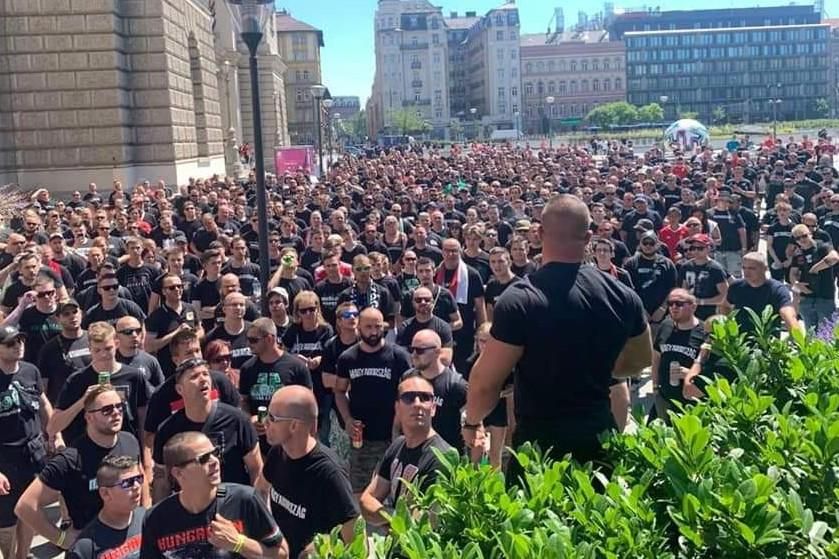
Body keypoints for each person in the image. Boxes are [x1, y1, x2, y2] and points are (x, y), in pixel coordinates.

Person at [463, 195, 651, 481]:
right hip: (598, 438)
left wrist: (472, 422)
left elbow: (485, 384)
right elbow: (640, 361)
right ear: (589, 237)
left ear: (538, 234)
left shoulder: (519, 301)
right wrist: (595, 369)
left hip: (539, 447)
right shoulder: (622, 295)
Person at [16, 385, 143, 552]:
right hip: (93, 547)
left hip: (130, 539)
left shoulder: (129, 441)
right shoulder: (70, 460)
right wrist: (61, 538)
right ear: (89, 418)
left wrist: (143, 516)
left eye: (120, 406)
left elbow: (141, 476)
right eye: (106, 410)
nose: (116, 413)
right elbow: (25, 506)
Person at [141, 431, 286, 559]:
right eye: (203, 459)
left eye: (215, 453)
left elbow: (282, 554)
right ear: (178, 473)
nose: (215, 461)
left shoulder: (244, 499)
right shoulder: (156, 518)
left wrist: (239, 544)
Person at [255, 386, 360, 558]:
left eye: (272, 418)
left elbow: (355, 538)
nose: (264, 421)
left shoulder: (329, 473)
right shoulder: (278, 452)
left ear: (294, 425)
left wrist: (323, 547)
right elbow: (260, 489)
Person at [152, 358, 261, 502]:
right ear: (180, 389)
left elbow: (256, 468)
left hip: (233, 504)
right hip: (191, 509)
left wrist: (256, 507)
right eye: (194, 377)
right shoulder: (167, 430)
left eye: (205, 374)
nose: (203, 380)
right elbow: (162, 480)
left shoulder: (237, 420)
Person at [334, 308, 412, 494]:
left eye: (377, 326)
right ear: (359, 327)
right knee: (359, 490)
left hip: (394, 436)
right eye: (368, 326)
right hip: (362, 437)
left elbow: (410, 392)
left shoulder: (399, 356)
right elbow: (339, 391)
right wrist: (347, 420)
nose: (374, 331)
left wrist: (402, 425)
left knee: (399, 491)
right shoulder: (348, 358)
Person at [359, 374, 453, 529]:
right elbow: (366, 501)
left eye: (425, 398)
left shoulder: (441, 457)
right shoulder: (398, 445)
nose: (417, 404)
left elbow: (427, 523)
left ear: (434, 408)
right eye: (409, 398)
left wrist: (386, 517)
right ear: (397, 408)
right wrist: (394, 518)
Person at [0, 325, 54, 559]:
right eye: (10, 343)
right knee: (6, 519)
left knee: (31, 509)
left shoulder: (30, 370)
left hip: (34, 451)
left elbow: (43, 403)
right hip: (5, 458)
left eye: (20, 341)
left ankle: (23, 555)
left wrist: (55, 433)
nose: (17, 346)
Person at [50, 321, 151, 445]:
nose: (103, 354)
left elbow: (143, 421)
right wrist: (83, 401)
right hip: (87, 451)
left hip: (125, 447)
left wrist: (145, 455)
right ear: (89, 349)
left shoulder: (134, 376)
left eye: (108, 348)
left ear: (117, 344)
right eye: (97, 350)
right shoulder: (77, 380)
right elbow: (52, 427)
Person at [238, 318, 312, 451]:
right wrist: (249, 418)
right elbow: (243, 401)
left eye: (254, 340)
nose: (249, 344)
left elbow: (308, 405)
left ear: (270, 339)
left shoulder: (296, 367)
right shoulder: (247, 368)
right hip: (258, 441)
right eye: (248, 339)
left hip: (288, 440)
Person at [65, 456, 145, 559]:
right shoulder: (84, 548)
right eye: (127, 483)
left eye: (139, 478)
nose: (137, 486)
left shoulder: (145, 518)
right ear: (105, 494)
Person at [406, 330, 468, 450]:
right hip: (415, 454)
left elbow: (472, 427)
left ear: (437, 352)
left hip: (446, 456)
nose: (414, 355)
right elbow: (399, 418)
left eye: (420, 350)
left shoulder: (456, 385)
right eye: (411, 349)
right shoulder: (408, 378)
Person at [650, 289, 706, 419]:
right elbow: (656, 357)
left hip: (690, 402)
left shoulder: (704, 333)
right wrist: (655, 387)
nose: (673, 307)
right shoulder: (665, 325)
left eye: (679, 303)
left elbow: (711, 369)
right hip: (664, 397)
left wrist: (691, 374)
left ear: (693, 306)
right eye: (670, 303)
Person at [436, 238, 486, 373]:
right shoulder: (435, 273)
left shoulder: (472, 274)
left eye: (454, 251)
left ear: (460, 251)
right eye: (447, 251)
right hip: (440, 332)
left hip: (465, 333)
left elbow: (480, 306)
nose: (451, 254)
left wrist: (481, 332)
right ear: (442, 252)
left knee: (463, 371)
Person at [722, 252, 800, 335]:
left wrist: (799, 340)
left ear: (765, 268)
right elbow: (725, 306)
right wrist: (729, 324)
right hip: (741, 343)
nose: (746, 272)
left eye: (752, 268)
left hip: (767, 342)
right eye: (744, 268)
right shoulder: (736, 287)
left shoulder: (777, 289)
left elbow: (788, 314)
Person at [144, 272, 204, 377]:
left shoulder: (190, 308)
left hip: (193, 366)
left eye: (180, 286)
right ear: (163, 291)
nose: (177, 289)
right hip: (169, 370)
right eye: (172, 287)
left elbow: (201, 329)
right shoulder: (156, 316)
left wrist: (192, 337)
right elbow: (149, 346)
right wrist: (176, 334)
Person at [37, 299, 91, 404]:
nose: (72, 316)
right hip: (65, 406)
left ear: (81, 313)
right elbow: (44, 386)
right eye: (66, 314)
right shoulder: (49, 349)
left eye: (75, 312)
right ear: (57, 319)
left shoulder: (94, 339)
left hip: (93, 404)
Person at [789, 223, 839, 331]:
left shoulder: (823, 246)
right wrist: (796, 284)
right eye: (798, 238)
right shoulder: (798, 253)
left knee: (826, 334)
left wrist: (816, 268)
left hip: (824, 296)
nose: (802, 240)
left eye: (804, 236)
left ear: (810, 234)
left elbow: (834, 257)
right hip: (806, 298)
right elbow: (793, 273)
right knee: (810, 335)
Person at [395, 286, 454, 366]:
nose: (423, 302)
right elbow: (401, 357)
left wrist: (420, 361)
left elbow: (446, 358)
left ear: (432, 302)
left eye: (427, 300)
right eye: (418, 300)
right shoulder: (405, 327)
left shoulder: (443, 327)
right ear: (413, 303)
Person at [678, 233, 729, 320]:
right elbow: (684, 289)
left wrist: (701, 302)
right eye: (693, 248)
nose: (696, 251)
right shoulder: (685, 267)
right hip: (690, 312)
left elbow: (725, 295)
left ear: (708, 248)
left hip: (710, 313)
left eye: (700, 248)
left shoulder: (716, 269)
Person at [115, 316, 165, 388]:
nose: (134, 335)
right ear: (116, 336)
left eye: (138, 330)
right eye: (128, 332)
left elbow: (160, 391)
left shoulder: (150, 361)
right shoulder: (109, 361)